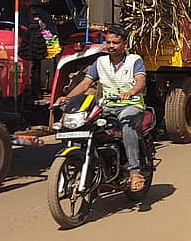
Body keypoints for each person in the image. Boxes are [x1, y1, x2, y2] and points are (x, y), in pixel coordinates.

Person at [57, 26, 147, 192]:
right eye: (108, 42)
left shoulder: (135, 60)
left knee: (126, 124)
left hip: (131, 106)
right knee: (83, 124)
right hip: (107, 107)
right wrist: (67, 98)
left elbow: (140, 81)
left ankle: (135, 172)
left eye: (116, 42)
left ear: (125, 44)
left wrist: (131, 92)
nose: (111, 46)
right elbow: (85, 83)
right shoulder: (100, 62)